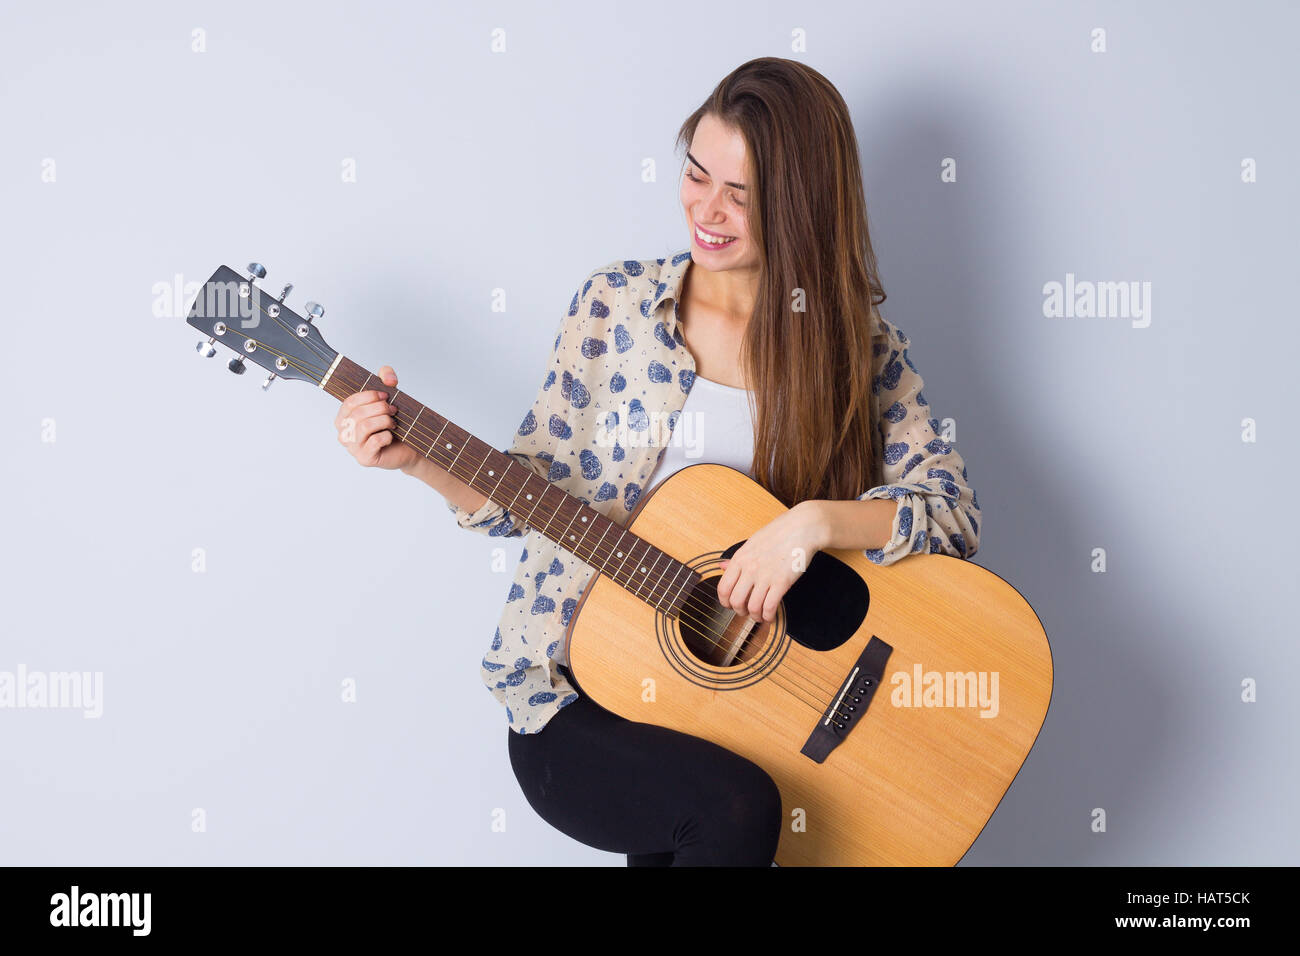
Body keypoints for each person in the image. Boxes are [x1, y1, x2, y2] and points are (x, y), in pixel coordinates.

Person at [332, 57, 981, 866]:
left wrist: (807, 526)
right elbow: (529, 490)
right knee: (732, 811)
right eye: (697, 173)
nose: (707, 211)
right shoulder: (614, 307)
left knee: (724, 808)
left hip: (737, 709)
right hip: (577, 691)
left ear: (805, 206)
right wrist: (413, 461)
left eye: (742, 196)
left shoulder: (856, 347)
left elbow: (951, 514)